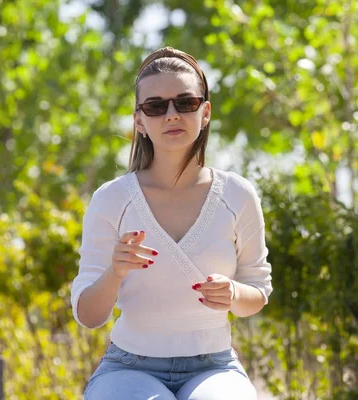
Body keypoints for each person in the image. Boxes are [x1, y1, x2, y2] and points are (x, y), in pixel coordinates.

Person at [70, 46, 273, 399]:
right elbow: (88, 315)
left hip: (215, 366)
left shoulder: (238, 195)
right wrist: (114, 272)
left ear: (205, 112)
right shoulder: (111, 199)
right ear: (139, 121)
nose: (171, 114)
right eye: (155, 106)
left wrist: (233, 293)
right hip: (127, 367)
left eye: (185, 103)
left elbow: (256, 291)